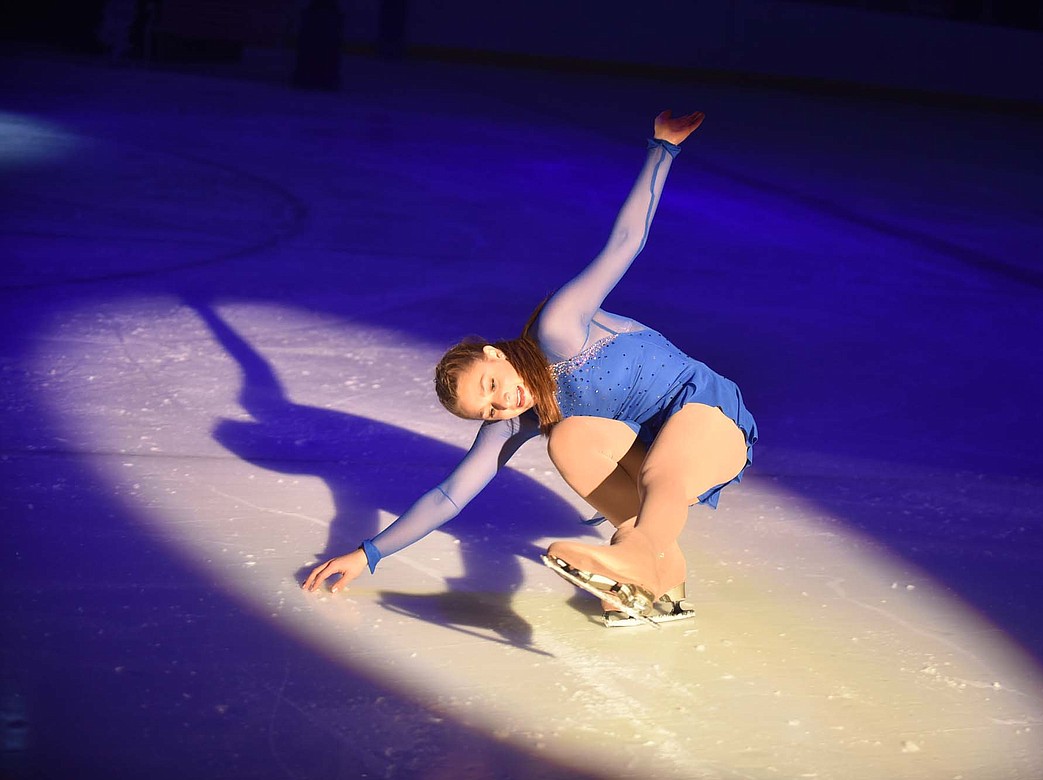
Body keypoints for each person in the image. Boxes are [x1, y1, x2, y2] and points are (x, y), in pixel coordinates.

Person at [303, 110, 757, 626]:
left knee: (661, 469)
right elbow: (450, 495)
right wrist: (368, 554)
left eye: (492, 385)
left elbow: (626, 243)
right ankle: (661, 580)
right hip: (654, 457)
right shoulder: (515, 420)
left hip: (707, 417)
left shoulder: (560, 327)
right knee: (567, 439)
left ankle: (635, 558)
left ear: (496, 354)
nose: (503, 403)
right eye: (488, 407)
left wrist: (663, 149)